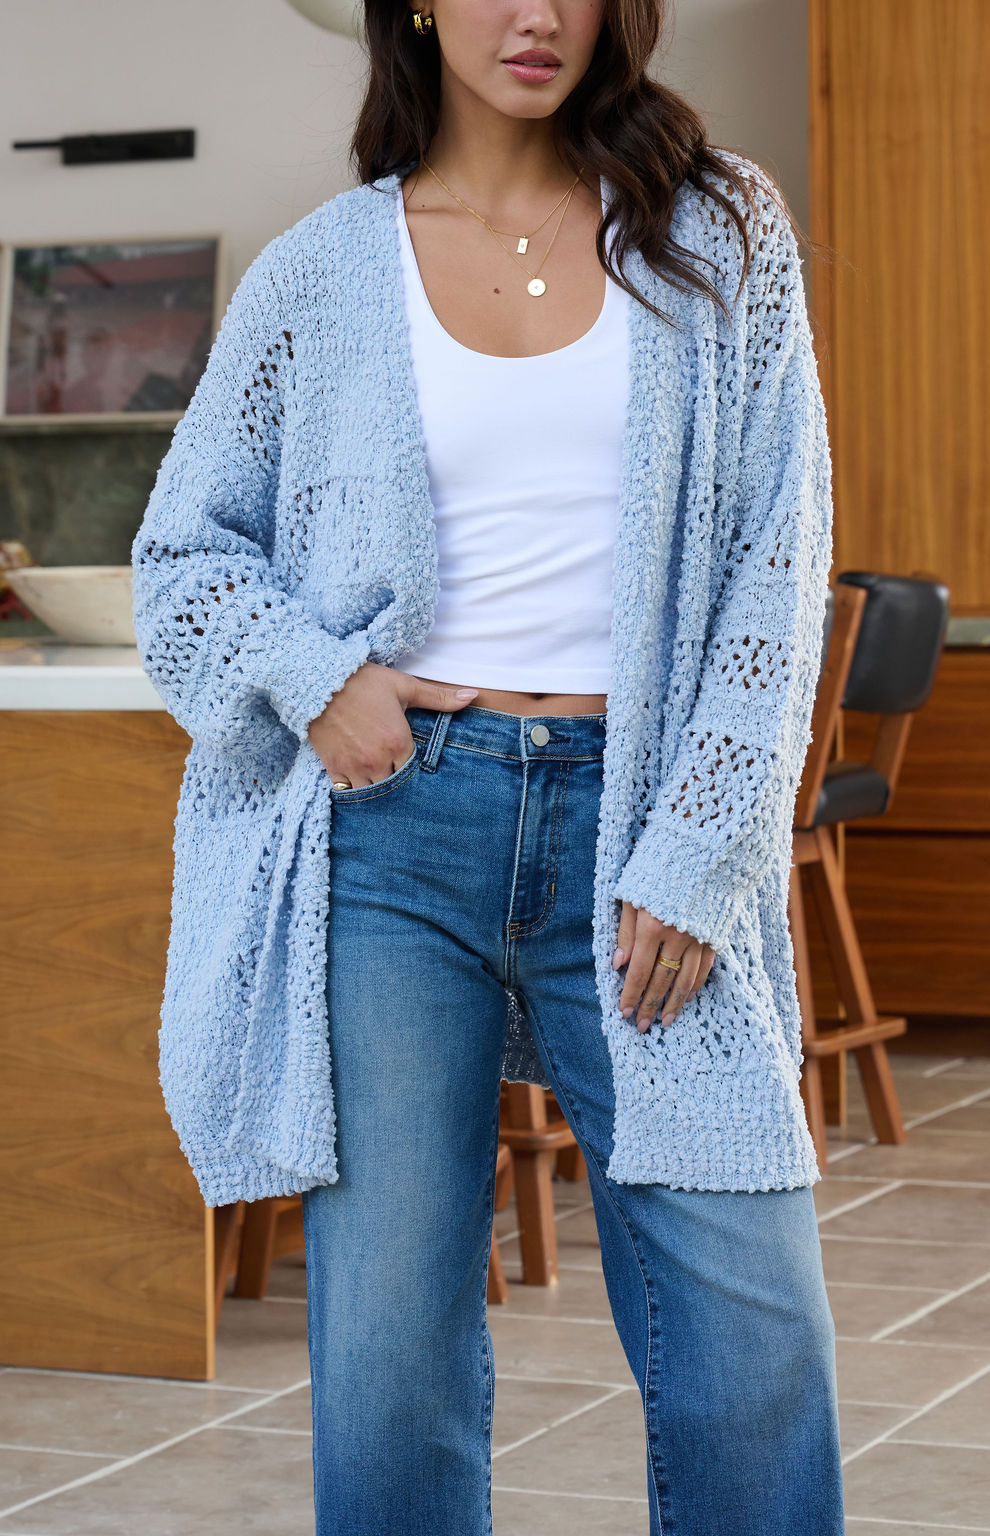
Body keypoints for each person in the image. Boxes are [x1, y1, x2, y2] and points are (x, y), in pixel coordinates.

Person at [131, 0, 845, 1530]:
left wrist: (708, 844)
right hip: (395, 837)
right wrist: (320, 682)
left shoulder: (718, 231)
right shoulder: (323, 270)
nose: (539, 13)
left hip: (643, 823)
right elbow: (182, 559)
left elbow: (778, 560)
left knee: (753, 1337)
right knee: (391, 1363)